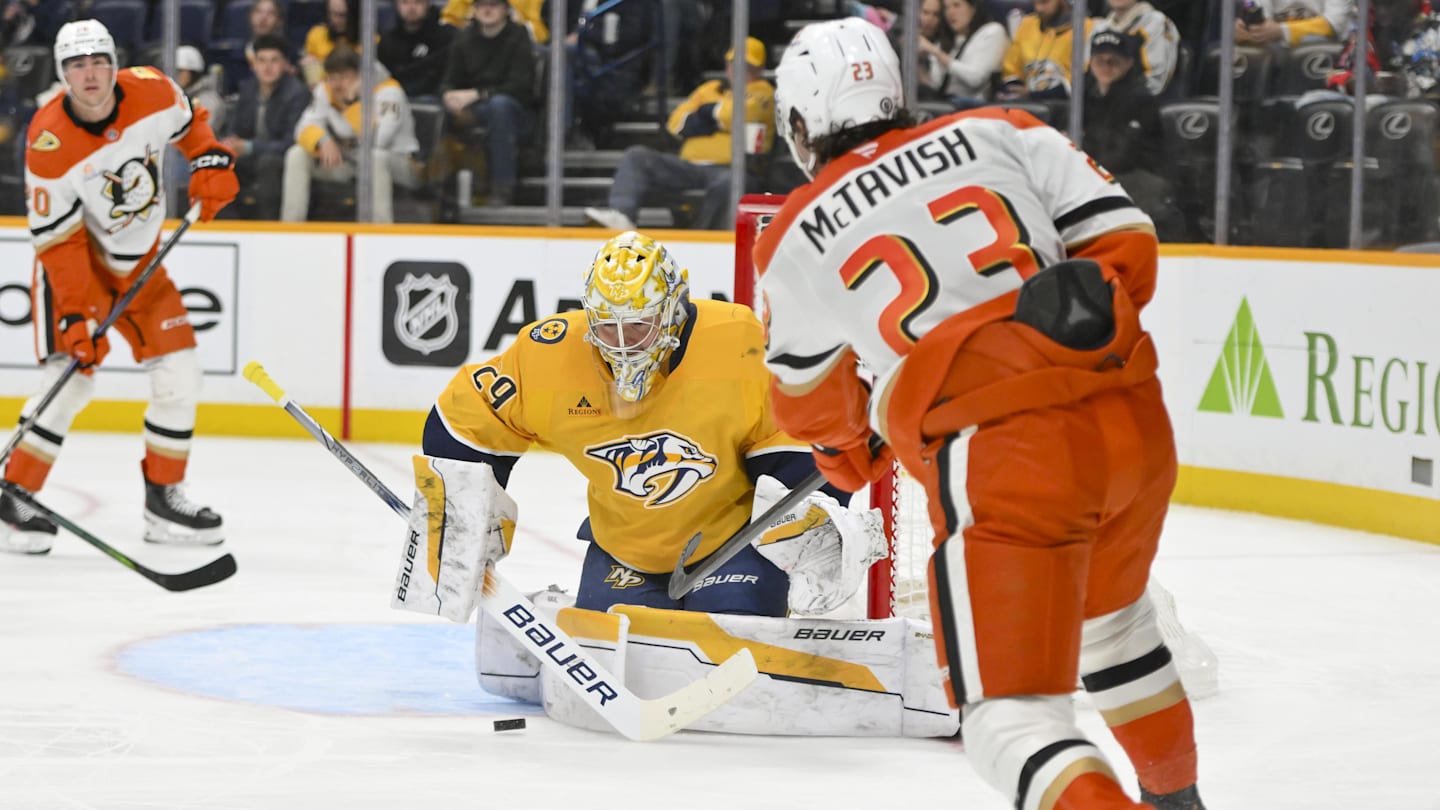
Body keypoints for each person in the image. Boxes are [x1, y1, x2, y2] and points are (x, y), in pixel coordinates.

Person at [759, 18, 1204, 810]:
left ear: (800, 121)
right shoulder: (1004, 128)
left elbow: (809, 407)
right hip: (1130, 421)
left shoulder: (795, 231)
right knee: (1116, 630)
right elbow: (1129, 248)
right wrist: (1044, 341)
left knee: (1010, 722)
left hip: (1005, 458)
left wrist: (851, 448)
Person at [420, 230, 855, 615]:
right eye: (608, 327)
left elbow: (793, 437)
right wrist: (457, 524)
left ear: (672, 311)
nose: (623, 344)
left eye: (640, 326)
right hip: (625, 552)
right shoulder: (548, 354)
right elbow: (466, 419)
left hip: (732, 548)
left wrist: (810, 524)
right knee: (608, 657)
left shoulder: (737, 341)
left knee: (734, 639)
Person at [0, 19, 238, 554]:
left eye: (98, 61)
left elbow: (190, 125)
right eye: (77, 65)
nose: (90, 74)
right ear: (62, 74)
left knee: (182, 374)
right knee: (73, 381)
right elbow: (58, 246)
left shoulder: (152, 89)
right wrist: (77, 314)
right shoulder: (48, 143)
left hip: (144, 269)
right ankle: (15, 494)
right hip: (79, 270)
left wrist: (209, 159)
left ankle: (163, 500)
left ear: (114, 63)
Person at [583, 37, 774, 231]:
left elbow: (740, 113)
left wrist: (705, 114)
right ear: (727, 65)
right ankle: (622, 216)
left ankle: (703, 236)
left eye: (748, 66)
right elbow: (675, 123)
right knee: (637, 156)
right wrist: (716, 119)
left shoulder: (764, 92)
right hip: (689, 166)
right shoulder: (710, 88)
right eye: (735, 64)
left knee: (731, 182)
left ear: (759, 70)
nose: (740, 71)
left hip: (731, 168)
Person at [282, 47, 421, 223]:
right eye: (332, 77)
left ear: (361, 76)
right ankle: (291, 227)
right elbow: (302, 128)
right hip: (351, 161)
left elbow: (379, 140)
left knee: (375, 158)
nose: (337, 84)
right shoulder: (326, 90)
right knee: (297, 154)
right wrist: (323, 140)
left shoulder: (389, 92)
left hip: (398, 163)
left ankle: (380, 231)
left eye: (344, 77)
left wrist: (354, 102)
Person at [1082, 30, 1183, 240]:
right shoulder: (1083, 98)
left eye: (1114, 61)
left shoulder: (1140, 98)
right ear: (1090, 62)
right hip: (1100, 176)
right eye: (1100, 60)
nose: (1106, 66)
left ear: (1128, 63)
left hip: (1138, 176)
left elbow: (1124, 154)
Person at [440, 0, 536, 206]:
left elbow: (520, 86)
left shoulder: (518, 36)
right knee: (435, 107)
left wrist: (478, 94)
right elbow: (449, 79)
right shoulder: (464, 37)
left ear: (505, 10)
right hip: (475, 106)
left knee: (499, 106)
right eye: (481, 4)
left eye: (494, 4)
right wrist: (449, 96)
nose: (487, 9)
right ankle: (437, 188)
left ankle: (503, 186)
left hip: (515, 108)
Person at [220, 34, 310, 221]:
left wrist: (249, 147)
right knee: (219, 161)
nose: (267, 67)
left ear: (285, 64)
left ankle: (268, 226)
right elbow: (235, 127)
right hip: (251, 156)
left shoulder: (297, 93)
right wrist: (230, 143)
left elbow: (290, 141)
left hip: (280, 160)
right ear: (254, 65)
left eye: (274, 61)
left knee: (268, 163)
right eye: (262, 61)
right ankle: (227, 227)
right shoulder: (248, 89)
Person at [165, 45, 226, 218]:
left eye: (180, 71)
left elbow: (202, 130)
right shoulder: (174, 96)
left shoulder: (208, 98)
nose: (175, 75)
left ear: (192, 73)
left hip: (201, 157)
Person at [998, 0, 1093, 99]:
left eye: (1045, 2)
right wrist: (1012, 91)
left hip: (1064, 105)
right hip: (1025, 105)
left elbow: (1080, 82)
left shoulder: (1087, 28)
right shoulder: (1027, 24)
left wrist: (1032, 96)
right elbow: (1012, 69)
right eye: (1035, 3)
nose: (1038, 9)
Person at [929, 0, 1010, 107]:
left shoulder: (992, 31)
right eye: (946, 8)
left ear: (973, 8)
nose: (950, 13)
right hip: (946, 105)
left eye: (956, 5)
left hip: (975, 107)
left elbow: (976, 80)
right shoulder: (945, 41)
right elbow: (937, 84)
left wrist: (938, 54)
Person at [1093, 0, 1179, 96]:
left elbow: (1156, 82)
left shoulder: (1156, 23)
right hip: (1101, 104)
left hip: (1142, 104)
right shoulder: (1099, 28)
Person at [379, 0, 455, 100]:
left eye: (418, 2)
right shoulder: (388, 39)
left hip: (431, 97)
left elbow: (440, 78)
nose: (411, 8)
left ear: (428, 4)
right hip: (394, 95)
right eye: (405, 2)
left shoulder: (446, 36)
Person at [1234, 0, 1353, 48]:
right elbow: (1261, 22)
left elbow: (1334, 25)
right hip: (1277, 53)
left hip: (1331, 51)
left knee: (1311, 40)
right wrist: (1249, 30)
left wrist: (1281, 31)